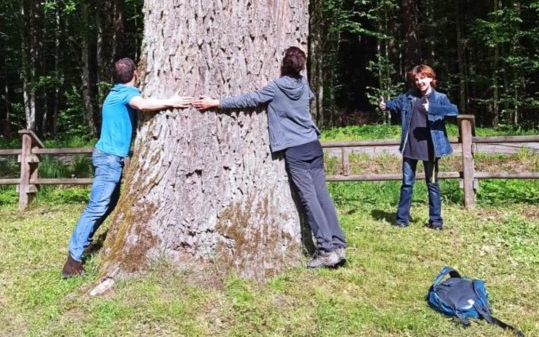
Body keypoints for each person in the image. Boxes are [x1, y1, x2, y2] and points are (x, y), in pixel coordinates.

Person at [193, 46, 347, 269]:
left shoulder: (275, 88)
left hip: (295, 149)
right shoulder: (303, 83)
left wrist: (216, 102)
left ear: (283, 65)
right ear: (301, 66)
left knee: (310, 199)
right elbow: (309, 97)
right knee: (322, 195)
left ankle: (325, 250)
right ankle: (338, 244)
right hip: (313, 145)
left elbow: (250, 99)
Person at [62, 57, 190, 277]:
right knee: (96, 207)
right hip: (109, 160)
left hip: (107, 158)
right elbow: (142, 105)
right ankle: (73, 260)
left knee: (109, 204)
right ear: (136, 75)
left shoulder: (114, 93)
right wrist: (171, 101)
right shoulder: (125, 94)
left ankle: (83, 244)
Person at [379, 64, 458, 230]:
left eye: (423, 78)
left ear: (430, 78)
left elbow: (453, 111)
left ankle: (435, 222)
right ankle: (401, 220)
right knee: (407, 184)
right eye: (417, 79)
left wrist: (433, 108)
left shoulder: (440, 98)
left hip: (431, 149)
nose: (420, 82)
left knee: (433, 185)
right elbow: (396, 103)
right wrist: (385, 105)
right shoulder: (410, 97)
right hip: (410, 148)